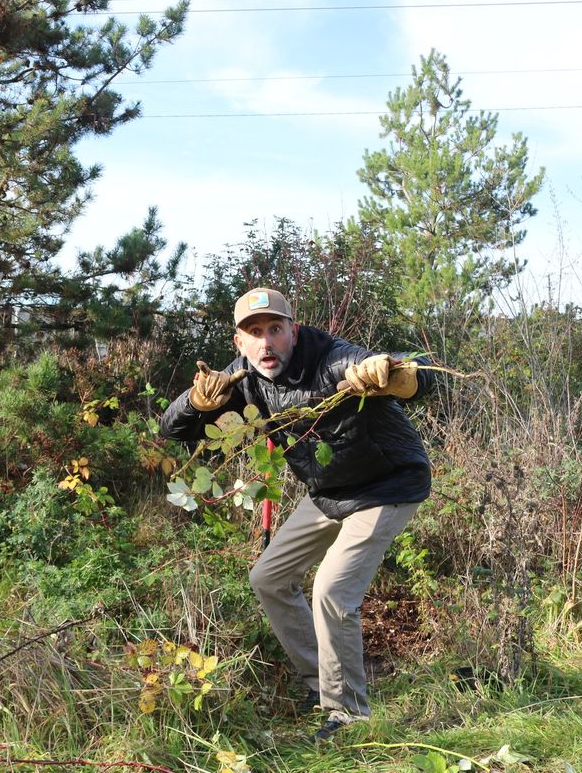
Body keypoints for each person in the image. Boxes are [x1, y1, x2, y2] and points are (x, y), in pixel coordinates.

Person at [159, 287, 435, 741]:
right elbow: (173, 429)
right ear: (239, 343)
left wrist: (396, 374)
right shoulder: (243, 377)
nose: (265, 342)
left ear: (294, 330)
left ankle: (349, 715)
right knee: (267, 577)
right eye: (254, 333)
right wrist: (197, 403)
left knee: (332, 589)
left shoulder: (331, 359)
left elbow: (411, 371)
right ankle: (320, 684)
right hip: (329, 492)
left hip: (388, 484)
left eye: (275, 329)